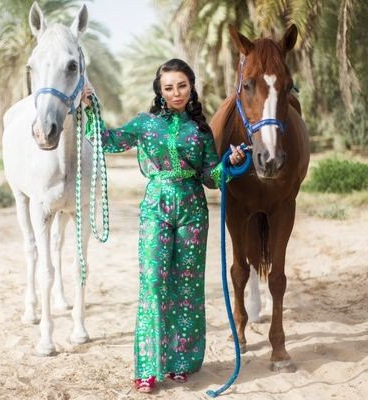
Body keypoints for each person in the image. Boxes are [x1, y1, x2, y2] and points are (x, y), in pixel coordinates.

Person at [82, 58, 246, 393]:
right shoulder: (144, 124)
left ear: (191, 87)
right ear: (159, 90)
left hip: (193, 210)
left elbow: (210, 178)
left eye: (182, 86)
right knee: (153, 284)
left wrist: (230, 163)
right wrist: (89, 107)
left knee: (186, 287)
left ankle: (181, 363)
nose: (176, 93)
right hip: (156, 206)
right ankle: (148, 368)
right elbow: (109, 140)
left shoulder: (200, 131)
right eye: (169, 87)